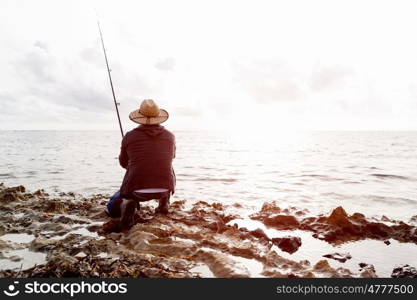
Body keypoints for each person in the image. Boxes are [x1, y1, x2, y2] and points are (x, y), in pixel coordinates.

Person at [106, 99, 176, 230]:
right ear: (158, 117)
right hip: (164, 188)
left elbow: (123, 163)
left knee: (112, 205)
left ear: (140, 117)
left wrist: (134, 166)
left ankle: (127, 204)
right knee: (168, 165)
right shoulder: (170, 136)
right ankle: (164, 203)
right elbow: (171, 157)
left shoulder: (129, 136)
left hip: (136, 191)